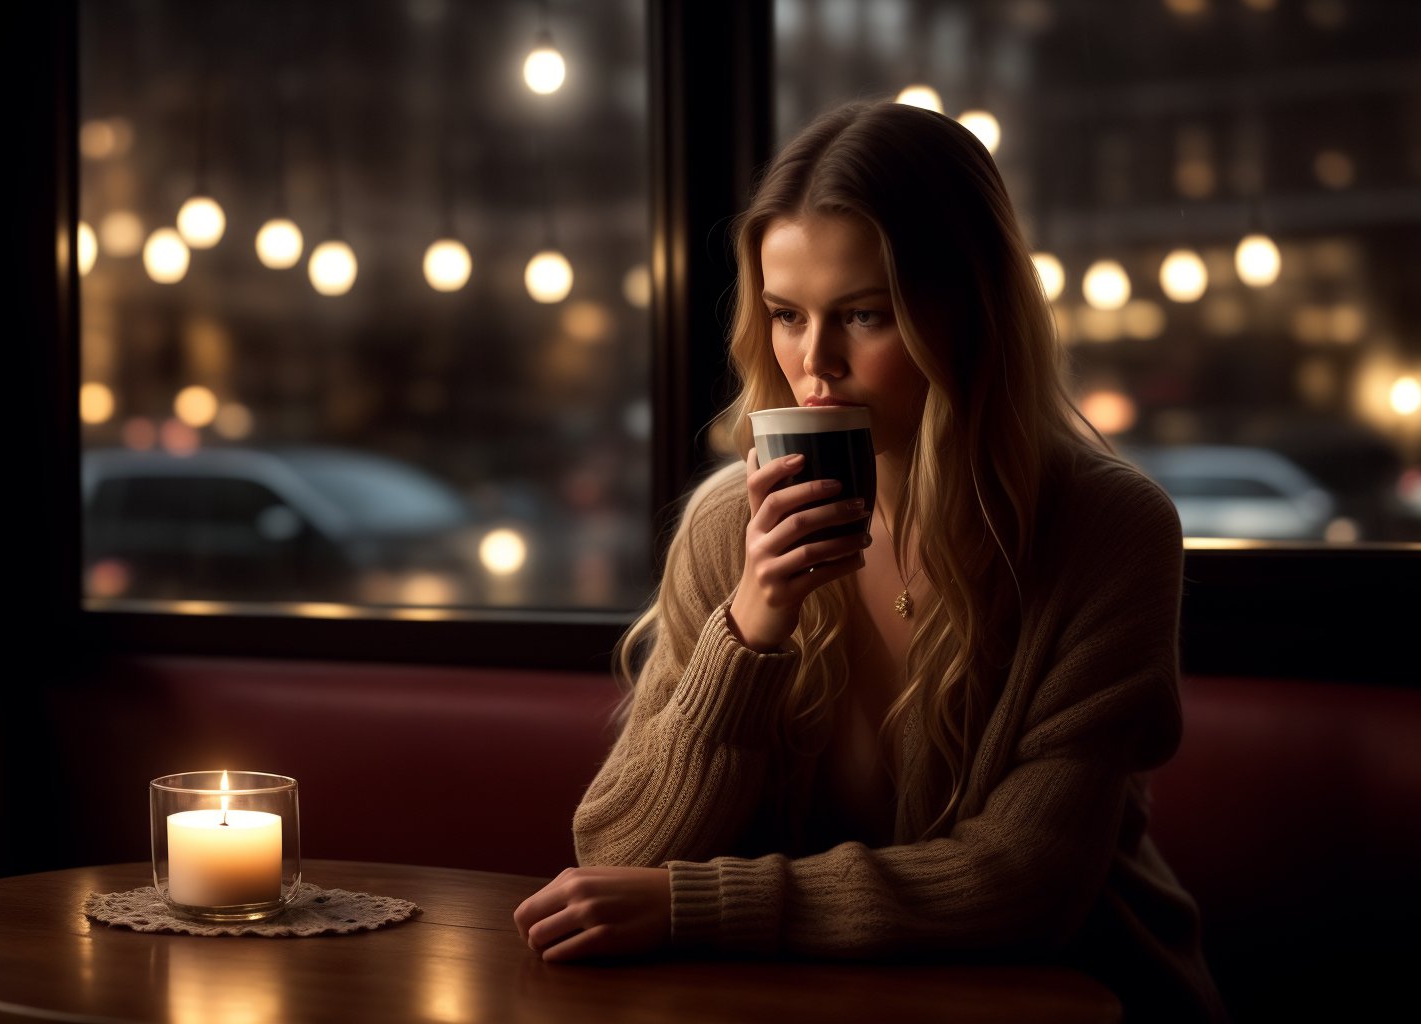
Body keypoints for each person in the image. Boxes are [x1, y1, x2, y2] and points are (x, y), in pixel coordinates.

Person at [512, 99, 1229, 1022]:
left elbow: (1024, 880)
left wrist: (708, 907)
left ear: (966, 315)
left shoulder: (1105, 528)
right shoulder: (731, 526)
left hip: (1070, 999)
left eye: (865, 316)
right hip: (804, 1003)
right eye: (785, 315)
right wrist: (752, 627)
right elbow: (616, 849)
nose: (815, 363)